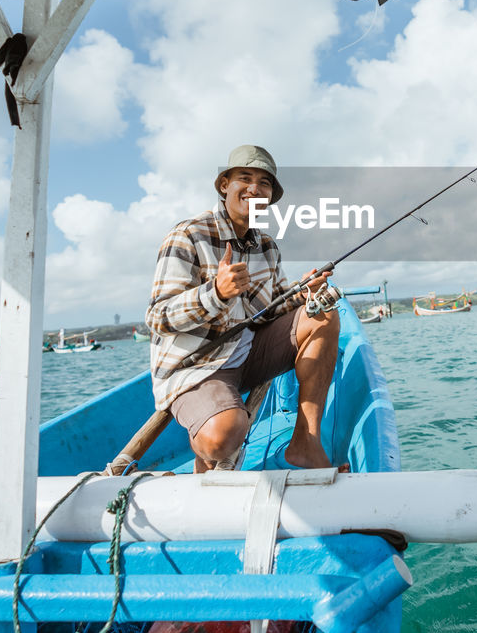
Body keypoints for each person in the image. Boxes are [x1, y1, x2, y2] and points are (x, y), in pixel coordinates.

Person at [146, 145, 341, 472]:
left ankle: (306, 444)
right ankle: (206, 435)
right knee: (223, 438)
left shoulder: (266, 246)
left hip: (248, 354)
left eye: (264, 183)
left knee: (322, 312)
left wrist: (303, 291)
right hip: (196, 366)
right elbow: (158, 318)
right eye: (245, 178)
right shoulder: (188, 234)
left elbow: (270, 310)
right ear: (225, 185)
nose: (254, 188)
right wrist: (216, 293)